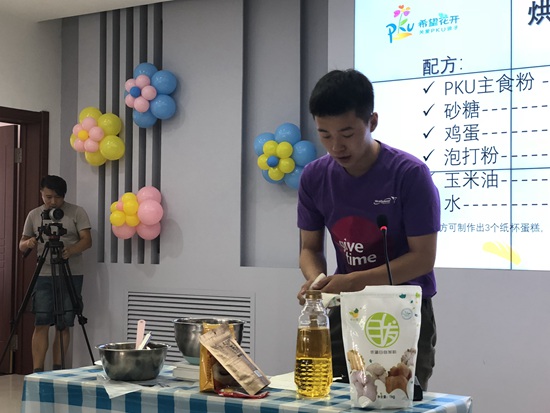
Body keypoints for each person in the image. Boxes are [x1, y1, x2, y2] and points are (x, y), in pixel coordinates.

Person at [296, 69, 440, 390]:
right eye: (325, 135)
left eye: (347, 133)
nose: (336, 146)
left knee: (397, 398)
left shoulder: (410, 174)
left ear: (372, 122)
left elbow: (422, 259)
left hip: (405, 309)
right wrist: (317, 284)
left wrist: (352, 281)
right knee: (332, 397)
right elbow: (309, 248)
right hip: (345, 309)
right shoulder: (314, 177)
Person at [19, 175, 92, 372]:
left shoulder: (76, 212)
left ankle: (58, 370)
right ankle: (37, 372)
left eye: (58, 197)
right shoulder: (34, 215)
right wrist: (29, 242)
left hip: (70, 274)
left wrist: (71, 250)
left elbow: (87, 240)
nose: (53, 201)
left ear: (64, 196)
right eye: (48, 197)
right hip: (43, 274)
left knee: (64, 323)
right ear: (41, 193)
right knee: (41, 322)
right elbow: (21, 244)